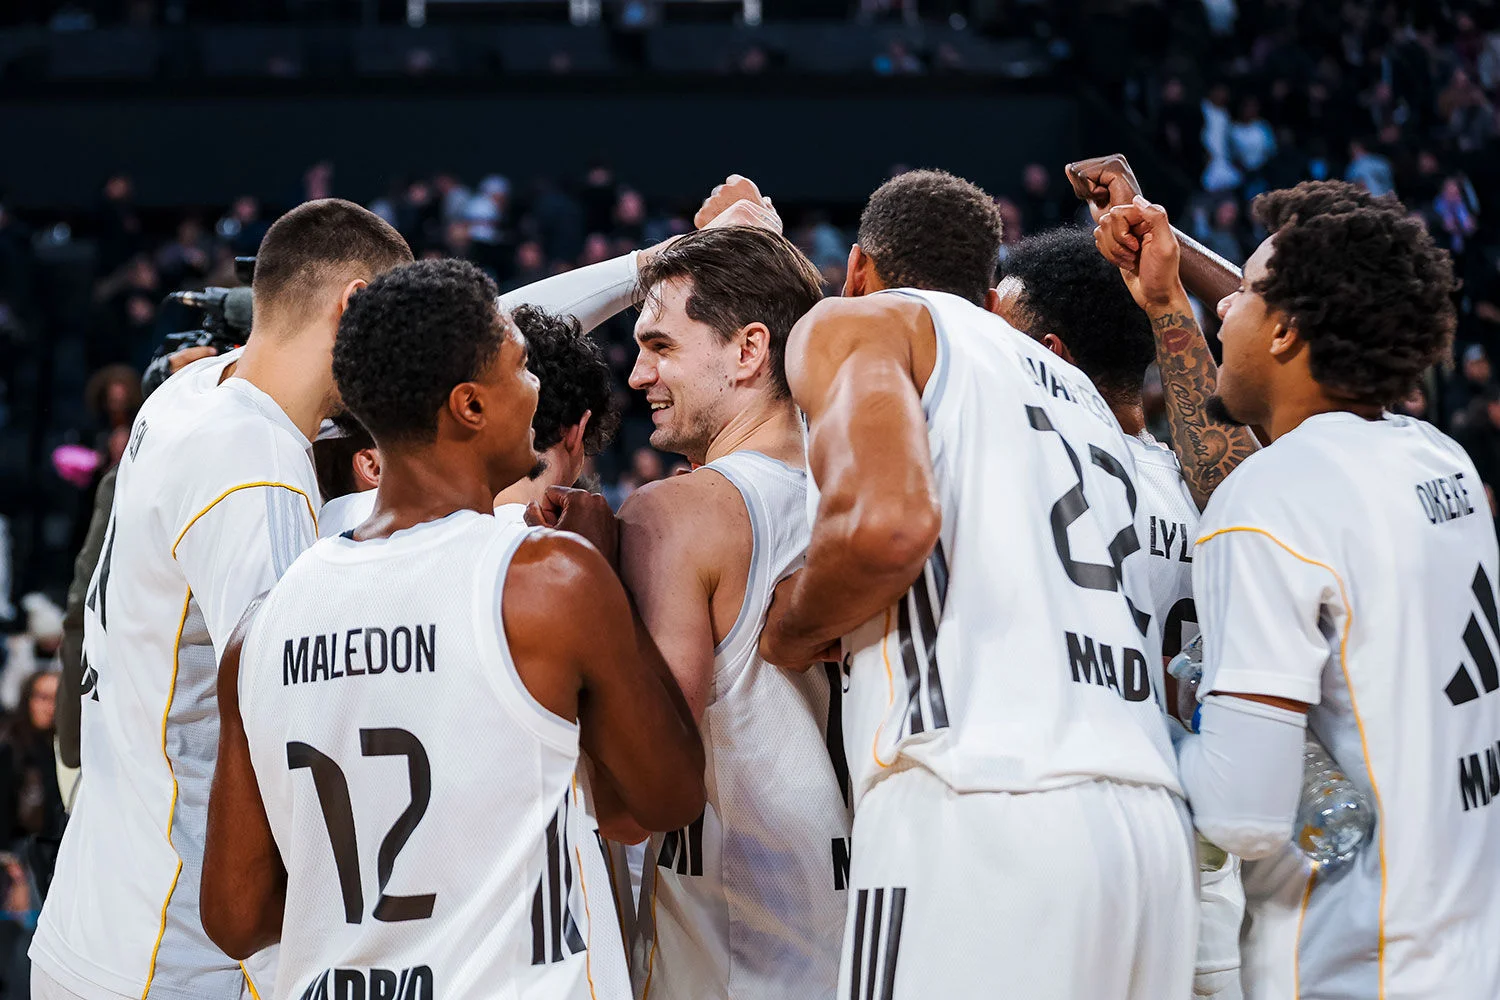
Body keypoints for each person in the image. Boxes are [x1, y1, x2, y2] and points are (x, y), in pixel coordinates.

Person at [198, 259, 704, 1000]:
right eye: (522, 368)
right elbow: (670, 797)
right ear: (471, 406)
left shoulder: (259, 629)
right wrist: (609, 580)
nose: (535, 389)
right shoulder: (549, 579)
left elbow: (236, 918)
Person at [760, 169, 1194, 999]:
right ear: (990, 289)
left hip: (976, 798)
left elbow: (886, 529)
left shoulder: (864, 321)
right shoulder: (1071, 389)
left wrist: (790, 630)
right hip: (1147, 822)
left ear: (857, 269)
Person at [1094, 180, 1500, 998]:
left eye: (1242, 293)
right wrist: (1168, 294)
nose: (1224, 311)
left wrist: (1133, 719)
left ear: (1285, 330)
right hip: (1465, 946)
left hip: (1354, 964)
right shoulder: (1438, 459)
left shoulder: (1273, 500)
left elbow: (1244, 815)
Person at [30, 199, 414, 1000]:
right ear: (353, 306)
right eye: (400, 324)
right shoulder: (259, 469)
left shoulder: (189, 393)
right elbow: (289, 738)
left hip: (91, 918)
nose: (409, 356)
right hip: (181, 959)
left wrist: (639, 270)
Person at [993, 225, 1248, 999]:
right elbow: (1247, 304)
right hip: (1205, 874)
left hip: (1078, 856)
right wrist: (1168, 292)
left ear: (1055, 358)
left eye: (997, 328)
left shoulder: (1024, 463)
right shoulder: (1206, 479)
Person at [614, 205, 845, 998]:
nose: (639, 375)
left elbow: (647, 793)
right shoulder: (862, 497)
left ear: (750, 350)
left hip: (735, 957)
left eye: (660, 346)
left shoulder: (679, 512)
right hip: (866, 934)